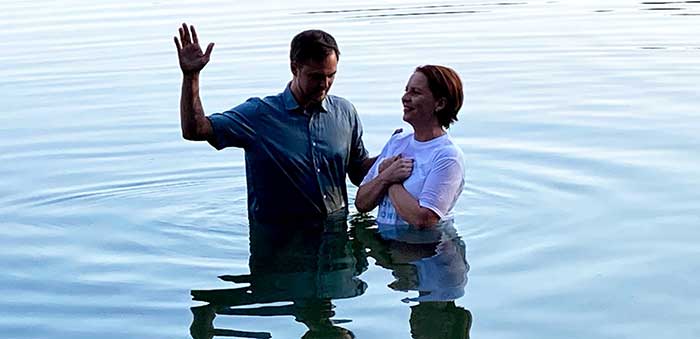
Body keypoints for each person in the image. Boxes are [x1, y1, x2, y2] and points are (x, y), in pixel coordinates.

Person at [174, 23, 373, 224]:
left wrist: (398, 154)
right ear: (294, 68)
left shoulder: (345, 112)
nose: (325, 84)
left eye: (331, 75)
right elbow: (195, 130)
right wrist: (191, 76)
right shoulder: (259, 115)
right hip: (278, 243)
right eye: (316, 77)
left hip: (336, 242)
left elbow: (359, 174)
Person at [355, 65, 465, 228]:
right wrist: (387, 176)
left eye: (415, 92)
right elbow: (361, 203)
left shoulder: (447, 156)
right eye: (406, 91)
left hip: (430, 251)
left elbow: (424, 220)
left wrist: (390, 179)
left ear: (440, 103)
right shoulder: (397, 142)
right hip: (387, 248)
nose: (405, 98)